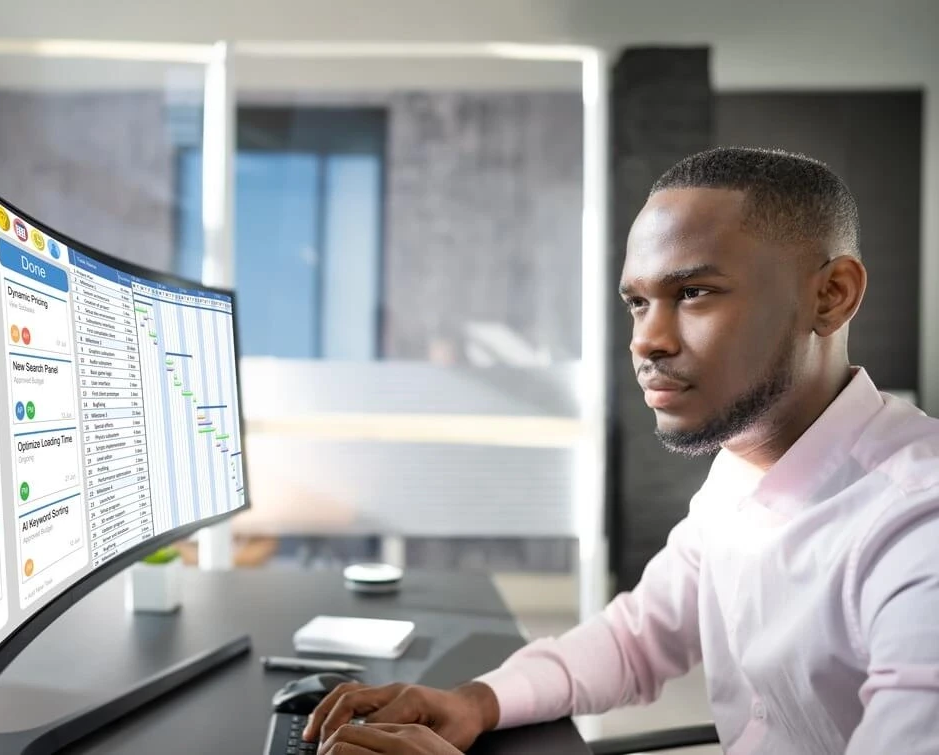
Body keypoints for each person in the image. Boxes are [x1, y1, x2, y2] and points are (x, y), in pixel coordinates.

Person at [302, 147, 939, 754]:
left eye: (694, 293)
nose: (647, 341)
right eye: (638, 302)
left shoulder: (918, 527)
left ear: (831, 296)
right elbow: (636, 638)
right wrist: (475, 701)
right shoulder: (739, 473)